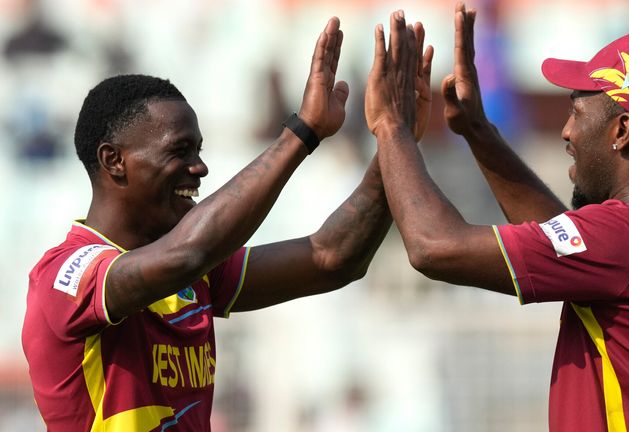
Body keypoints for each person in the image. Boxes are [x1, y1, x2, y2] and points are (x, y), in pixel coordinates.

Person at [21, 17, 432, 431]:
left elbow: (333, 258)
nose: (199, 167)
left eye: (198, 151)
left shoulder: (194, 272)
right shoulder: (65, 277)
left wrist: (394, 140)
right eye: (179, 151)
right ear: (114, 160)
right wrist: (302, 132)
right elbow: (188, 253)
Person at [365, 3, 629, 431]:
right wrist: (478, 131)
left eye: (577, 113)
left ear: (623, 131)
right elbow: (573, 243)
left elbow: (433, 247)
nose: (566, 132)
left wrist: (391, 127)